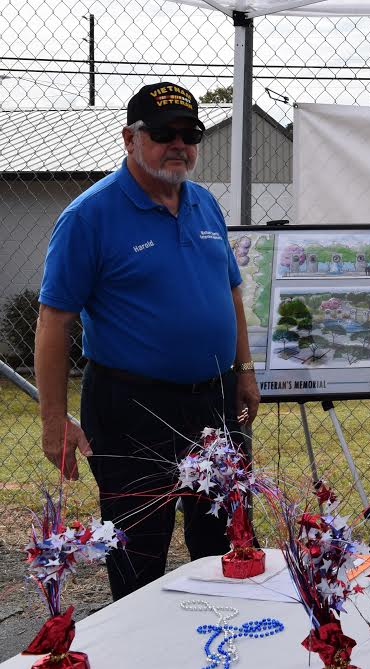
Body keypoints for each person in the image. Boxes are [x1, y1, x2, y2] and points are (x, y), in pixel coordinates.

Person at [35, 82, 260, 600]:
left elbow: (230, 290)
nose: (178, 144)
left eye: (189, 134)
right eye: (163, 134)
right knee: (139, 552)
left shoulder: (204, 204)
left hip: (215, 402)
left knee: (229, 542)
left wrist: (243, 371)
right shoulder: (90, 216)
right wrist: (53, 419)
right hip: (131, 406)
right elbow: (53, 321)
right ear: (129, 139)